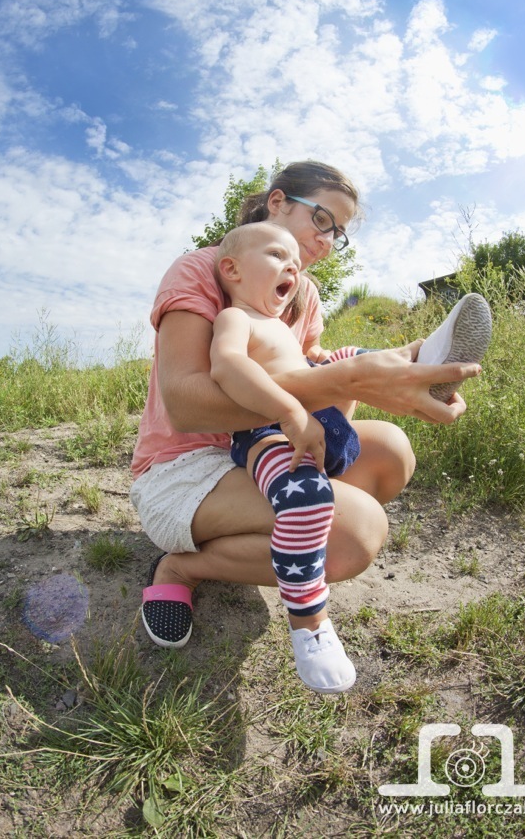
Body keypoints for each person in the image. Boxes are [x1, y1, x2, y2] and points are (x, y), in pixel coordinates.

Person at [130, 160, 481, 678]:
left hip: (272, 442)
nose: (327, 240)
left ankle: (419, 357)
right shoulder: (203, 270)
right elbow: (186, 404)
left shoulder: (303, 294)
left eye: (337, 233)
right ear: (277, 203)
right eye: (322, 219)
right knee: (354, 533)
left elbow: (309, 369)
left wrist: (376, 370)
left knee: (390, 452)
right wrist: (343, 382)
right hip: (185, 467)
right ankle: (184, 565)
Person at [211, 221, 374, 692]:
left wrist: (344, 365)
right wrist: (286, 412)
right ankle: (308, 621)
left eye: (296, 265)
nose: (294, 267)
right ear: (232, 269)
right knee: (308, 498)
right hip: (265, 431)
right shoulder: (237, 318)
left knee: (352, 358)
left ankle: (418, 357)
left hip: (320, 426)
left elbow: (311, 366)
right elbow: (228, 365)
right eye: (279, 256)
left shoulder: (282, 327)